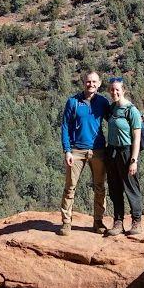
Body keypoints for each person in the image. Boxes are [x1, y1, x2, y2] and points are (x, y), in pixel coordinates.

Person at [58, 68, 109, 235]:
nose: (91, 84)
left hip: (98, 150)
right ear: (83, 83)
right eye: (88, 81)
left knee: (100, 187)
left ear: (99, 84)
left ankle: (98, 222)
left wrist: (137, 122)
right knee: (70, 187)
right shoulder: (73, 101)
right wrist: (67, 150)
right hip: (76, 150)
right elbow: (65, 126)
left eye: (94, 82)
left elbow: (115, 119)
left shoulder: (102, 102)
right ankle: (66, 222)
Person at [98, 75, 144, 236]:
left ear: (123, 90)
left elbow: (137, 137)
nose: (114, 92)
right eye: (111, 90)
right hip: (111, 151)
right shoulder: (112, 109)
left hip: (126, 152)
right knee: (115, 188)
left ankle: (136, 222)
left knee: (131, 187)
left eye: (117, 89)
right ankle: (118, 222)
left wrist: (134, 160)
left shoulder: (131, 110)